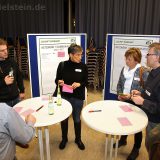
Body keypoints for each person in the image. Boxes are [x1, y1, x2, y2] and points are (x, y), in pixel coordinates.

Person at [115, 48, 149, 160]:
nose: (126, 61)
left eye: (129, 59)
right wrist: (119, 94)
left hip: (137, 103)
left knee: (137, 127)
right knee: (124, 121)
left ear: (136, 60)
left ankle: (136, 149)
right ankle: (123, 140)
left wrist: (132, 95)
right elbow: (119, 83)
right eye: (126, 58)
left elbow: (146, 89)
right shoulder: (124, 69)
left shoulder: (143, 71)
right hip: (124, 100)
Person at [54, 43, 88, 150]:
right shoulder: (62, 65)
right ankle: (64, 139)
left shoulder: (83, 66)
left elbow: (86, 81)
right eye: (77, 55)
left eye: (81, 55)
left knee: (77, 118)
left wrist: (79, 84)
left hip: (78, 97)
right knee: (64, 119)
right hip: (65, 96)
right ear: (70, 55)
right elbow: (56, 80)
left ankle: (78, 139)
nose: (80, 57)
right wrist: (59, 82)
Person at [131, 42, 160, 159]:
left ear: (157, 57)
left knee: (154, 150)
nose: (146, 56)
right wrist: (140, 93)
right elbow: (149, 92)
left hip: (156, 122)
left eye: (149, 54)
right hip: (148, 116)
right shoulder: (152, 72)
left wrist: (143, 102)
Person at [0, 38, 25, 107]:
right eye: (2, 50)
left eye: (6, 49)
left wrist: (22, 91)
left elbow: (19, 76)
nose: (6, 52)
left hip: (16, 98)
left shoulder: (12, 61)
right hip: (3, 102)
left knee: (18, 117)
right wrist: (3, 82)